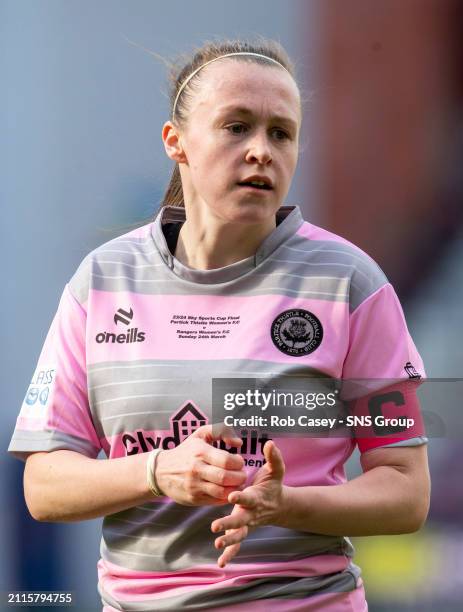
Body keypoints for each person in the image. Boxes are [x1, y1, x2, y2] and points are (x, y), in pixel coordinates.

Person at [8, 38, 430, 611]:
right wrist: (159, 470)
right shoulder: (102, 280)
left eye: (281, 133)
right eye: (237, 126)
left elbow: (406, 490)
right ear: (175, 142)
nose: (262, 150)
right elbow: (44, 486)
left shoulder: (350, 283)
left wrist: (288, 504)